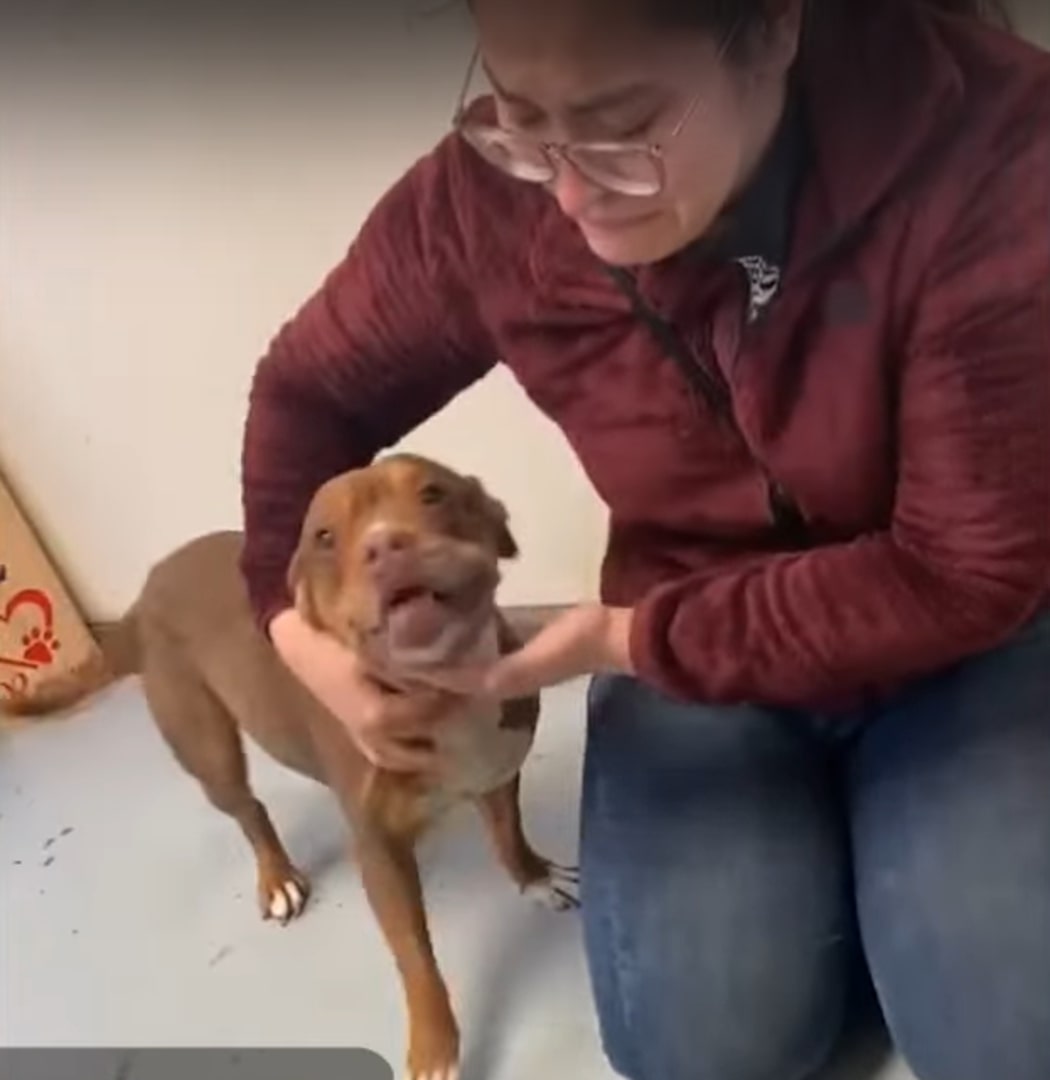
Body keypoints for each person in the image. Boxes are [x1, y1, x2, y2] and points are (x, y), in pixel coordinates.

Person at [239, 1, 1050, 1077]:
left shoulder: (997, 154)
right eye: (522, 122)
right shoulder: (490, 202)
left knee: (1010, 1038)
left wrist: (611, 645)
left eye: (624, 132)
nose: (567, 193)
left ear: (774, 28)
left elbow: (961, 571)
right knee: (699, 1047)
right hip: (686, 622)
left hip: (949, 634)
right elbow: (306, 391)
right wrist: (293, 624)